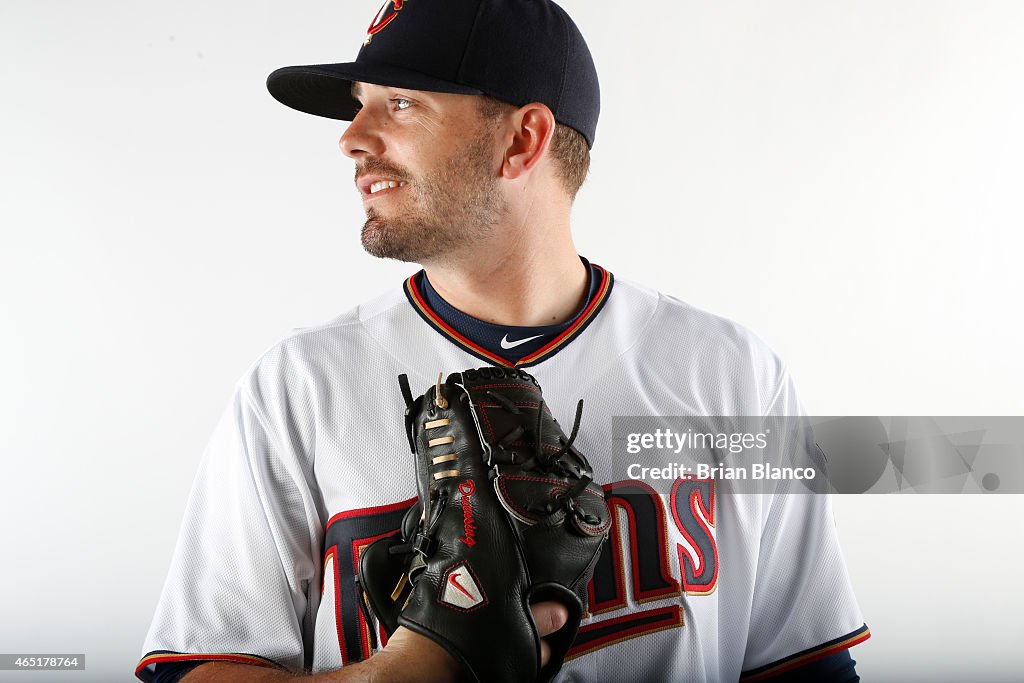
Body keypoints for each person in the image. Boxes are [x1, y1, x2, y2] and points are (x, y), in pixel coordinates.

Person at [137, 1, 868, 681]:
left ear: (523, 140)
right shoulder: (297, 385)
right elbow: (193, 668)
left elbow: (807, 666)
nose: (352, 138)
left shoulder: (732, 375)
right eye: (360, 105)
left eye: (399, 103)